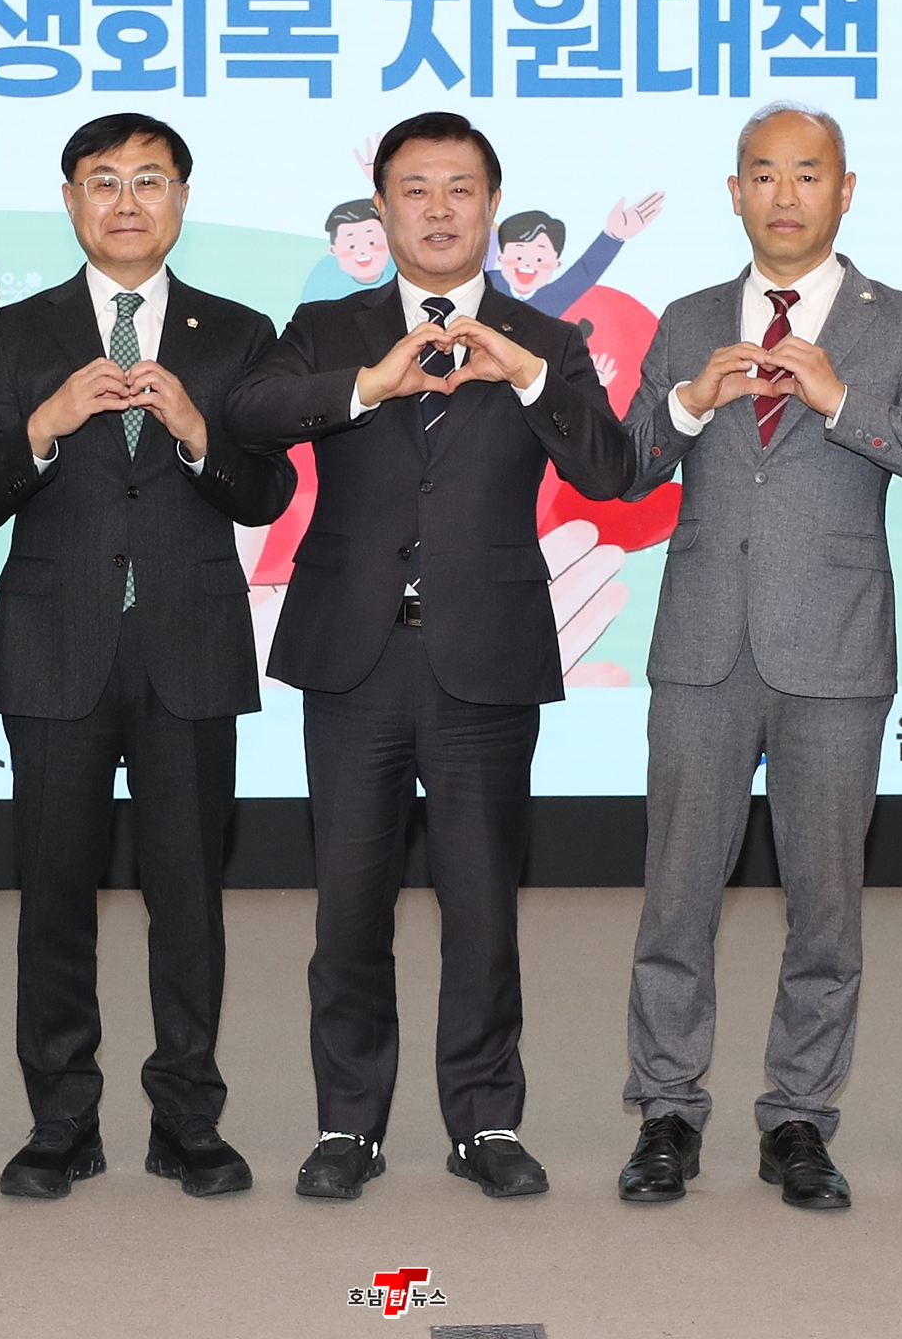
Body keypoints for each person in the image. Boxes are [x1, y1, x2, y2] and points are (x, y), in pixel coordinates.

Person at [227, 111, 637, 1202]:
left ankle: (484, 1122)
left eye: (461, 189)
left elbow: (611, 472)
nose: (440, 209)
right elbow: (251, 413)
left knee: (482, 907)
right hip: (355, 659)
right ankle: (347, 1125)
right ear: (383, 207)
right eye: (416, 189)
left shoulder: (545, 338)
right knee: (348, 908)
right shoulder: (331, 325)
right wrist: (370, 385)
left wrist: (530, 377)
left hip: (485, 656)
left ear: (493, 207)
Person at [615, 104, 902, 1209]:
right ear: (734, 192)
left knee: (825, 906)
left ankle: (798, 1119)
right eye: (764, 174)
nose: (785, 194)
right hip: (700, 645)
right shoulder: (688, 318)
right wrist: (691, 404)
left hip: (833, 647)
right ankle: (667, 1111)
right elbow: (626, 466)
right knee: (675, 895)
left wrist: (838, 400)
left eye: (807, 173)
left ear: (845, 190)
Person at [0, 114, 295, 1201]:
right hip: (56, 643)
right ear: (70, 201)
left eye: (150, 180)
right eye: (104, 181)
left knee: (188, 900)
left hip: (188, 645)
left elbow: (268, 491)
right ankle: (61, 1120)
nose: (128, 201)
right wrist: (45, 423)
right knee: (54, 896)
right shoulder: (13, 334)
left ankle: (187, 1119)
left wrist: (198, 433)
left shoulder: (236, 332)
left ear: (182, 198)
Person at [487, 192, 663, 317]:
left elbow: (584, 273)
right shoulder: (485, 286)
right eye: (518, 257)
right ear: (500, 257)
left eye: (539, 259)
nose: (527, 264)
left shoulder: (552, 298)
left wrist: (613, 236)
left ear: (556, 263)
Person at [300, 199, 395, 302]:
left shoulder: (401, 266)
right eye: (352, 246)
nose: (362, 251)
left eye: (371, 243)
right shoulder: (322, 278)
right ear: (333, 249)